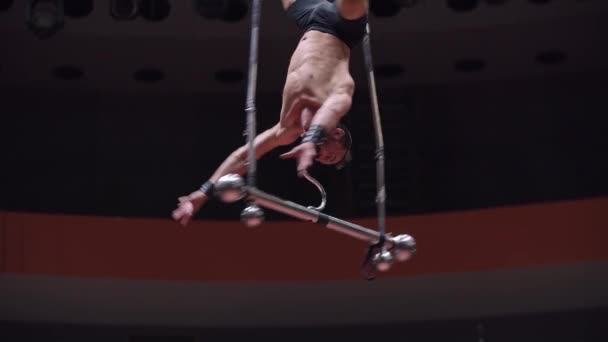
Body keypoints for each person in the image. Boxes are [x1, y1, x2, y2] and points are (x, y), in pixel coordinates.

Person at [172, 0, 369, 226]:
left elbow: (243, 157)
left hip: (310, 21)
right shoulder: (341, 92)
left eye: (320, 159)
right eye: (331, 155)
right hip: (343, 29)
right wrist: (311, 140)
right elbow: (331, 110)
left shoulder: (287, 129)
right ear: (336, 134)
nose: (320, 157)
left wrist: (204, 192)